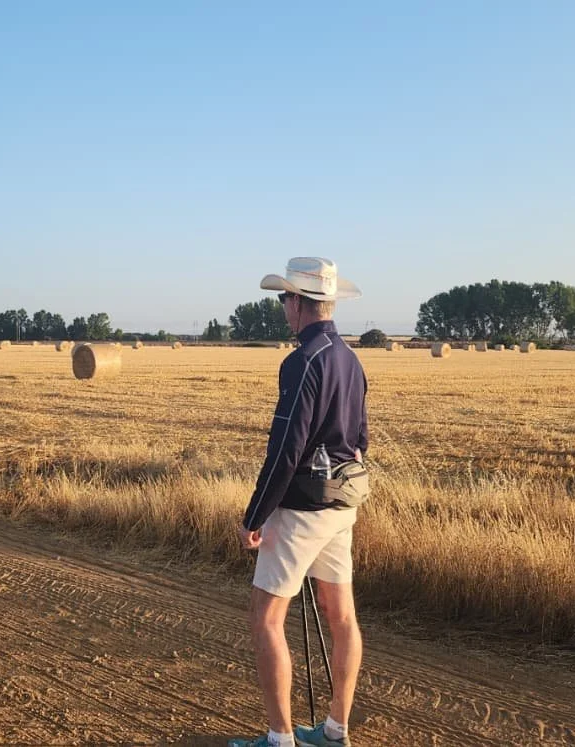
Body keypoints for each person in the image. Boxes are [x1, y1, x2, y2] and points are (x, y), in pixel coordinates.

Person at [230, 257, 368, 747]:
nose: (283, 309)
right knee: (343, 616)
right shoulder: (350, 360)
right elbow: (360, 439)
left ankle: (280, 739)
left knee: (265, 618)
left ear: (298, 303)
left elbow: (286, 448)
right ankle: (335, 731)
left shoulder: (301, 361)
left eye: (284, 299)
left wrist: (255, 515)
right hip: (343, 504)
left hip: (302, 507)